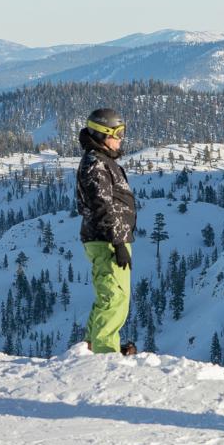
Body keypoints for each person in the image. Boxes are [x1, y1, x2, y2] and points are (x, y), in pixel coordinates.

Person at [76, 107, 137, 355]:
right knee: (114, 298)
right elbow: (102, 206)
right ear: (102, 134)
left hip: (109, 238)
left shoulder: (103, 162)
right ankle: (104, 354)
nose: (121, 138)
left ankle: (92, 345)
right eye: (117, 133)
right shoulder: (95, 165)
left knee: (110, 295)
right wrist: (118, 242)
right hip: (106, 240)